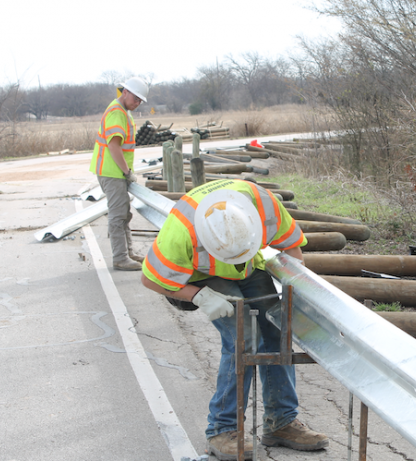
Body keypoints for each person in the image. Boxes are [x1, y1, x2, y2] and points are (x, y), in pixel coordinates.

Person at [140, 179, 329, 461]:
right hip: (205, 276)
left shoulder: (264, 204)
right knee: (244, 338)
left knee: (277, 330)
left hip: (248, 266)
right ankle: (221, 429)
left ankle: (281, 422)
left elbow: (292, 249)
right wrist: (199, 296)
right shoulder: (182, 230)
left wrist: (297, 288)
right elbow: (150, 279)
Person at [89, 77, 149, 271]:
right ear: (125, 92)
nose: (137, 102)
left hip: (115, 172)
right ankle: (120, 258)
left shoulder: (123, 111)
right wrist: (126, 171)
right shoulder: (116, 112)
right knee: (118, 216)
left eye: (140, 100)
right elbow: (113, 146)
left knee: (124, 214)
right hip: (112, 172)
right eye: (135, 98)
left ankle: (127, 253)